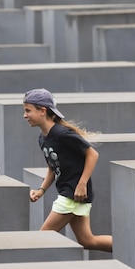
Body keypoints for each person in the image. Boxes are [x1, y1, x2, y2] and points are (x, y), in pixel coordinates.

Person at [23, 88, 112, 252]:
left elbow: (92, 154)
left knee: (41, 238)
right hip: (69, 192)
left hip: (72, 194)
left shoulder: (61, 133)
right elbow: (53, 166)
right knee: (88, 241)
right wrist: (41, 190)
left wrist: (81, 184)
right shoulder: (43, 137)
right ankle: (127, 247)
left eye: (28, 110)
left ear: (42, 111)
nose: (25, 115)